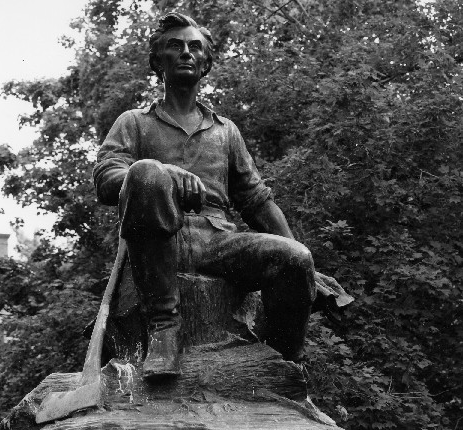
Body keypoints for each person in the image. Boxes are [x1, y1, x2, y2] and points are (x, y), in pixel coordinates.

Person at [93, 11, 347, 380]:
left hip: (217, 241)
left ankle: (280, 365)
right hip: (158, 242)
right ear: (157, 61)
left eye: (194, 47)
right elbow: (105, 178)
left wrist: (310, 270)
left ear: (206, 63)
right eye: (174, 46)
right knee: (144, 172)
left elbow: (257, 201)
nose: (185, 53)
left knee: (296, 258)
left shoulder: (226, 131)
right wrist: (162, 172)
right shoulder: (133, 122)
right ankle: (164, 329)